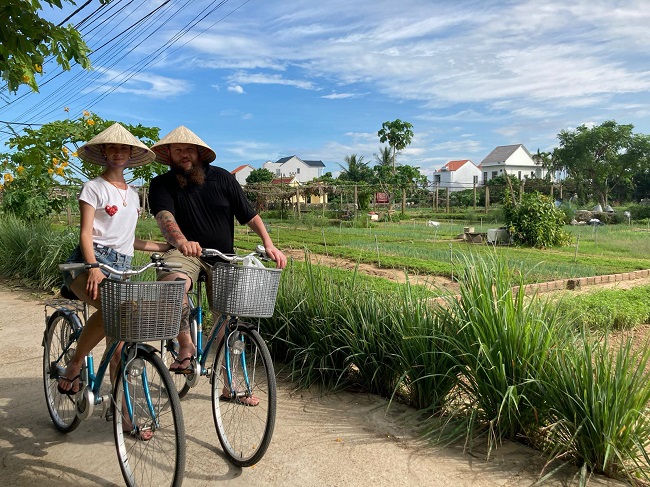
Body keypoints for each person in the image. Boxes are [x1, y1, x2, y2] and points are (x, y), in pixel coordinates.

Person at [147, 126, 287, 403]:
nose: (184, 155)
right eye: (178, 150)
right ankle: (185, 346)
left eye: (189, 150)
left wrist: (269, 243)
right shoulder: (161, 184)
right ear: (169, 155)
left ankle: (230, 385)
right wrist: (181, 241)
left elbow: (249, 214)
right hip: (184, 253)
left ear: (199, 153)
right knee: (173, 285)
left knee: (230, 320)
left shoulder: (222, 178)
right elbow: (165, 218)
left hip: (223, 257)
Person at [57, 123, 171, 401]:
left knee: (119, 345)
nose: (118, 153)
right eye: (113, 147)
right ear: (104, 152)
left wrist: (167, 246)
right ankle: (74, 363)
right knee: (113, 312)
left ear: (131, 154)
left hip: (123, 266)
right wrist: (93, 266)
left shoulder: (133, 195)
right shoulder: (93, 188)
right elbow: (85, 233)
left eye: (124, 148)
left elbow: (128, 239)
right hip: (90, 262)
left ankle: (124, 413)